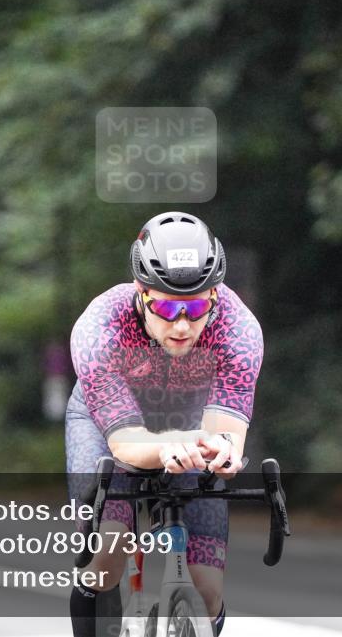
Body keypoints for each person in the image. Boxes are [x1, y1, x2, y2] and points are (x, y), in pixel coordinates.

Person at [66, 212, 263, 637]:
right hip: (106, 428)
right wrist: (177, 443)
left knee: (208, 592)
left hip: (190, 428)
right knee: (106, 556)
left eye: (197, 308)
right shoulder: (100, 327)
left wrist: (224, 452)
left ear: (215, 296)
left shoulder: (239, 330)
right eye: (168, 307)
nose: (182, 325)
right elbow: (126, 445)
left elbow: (225, 434)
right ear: (140, 293)